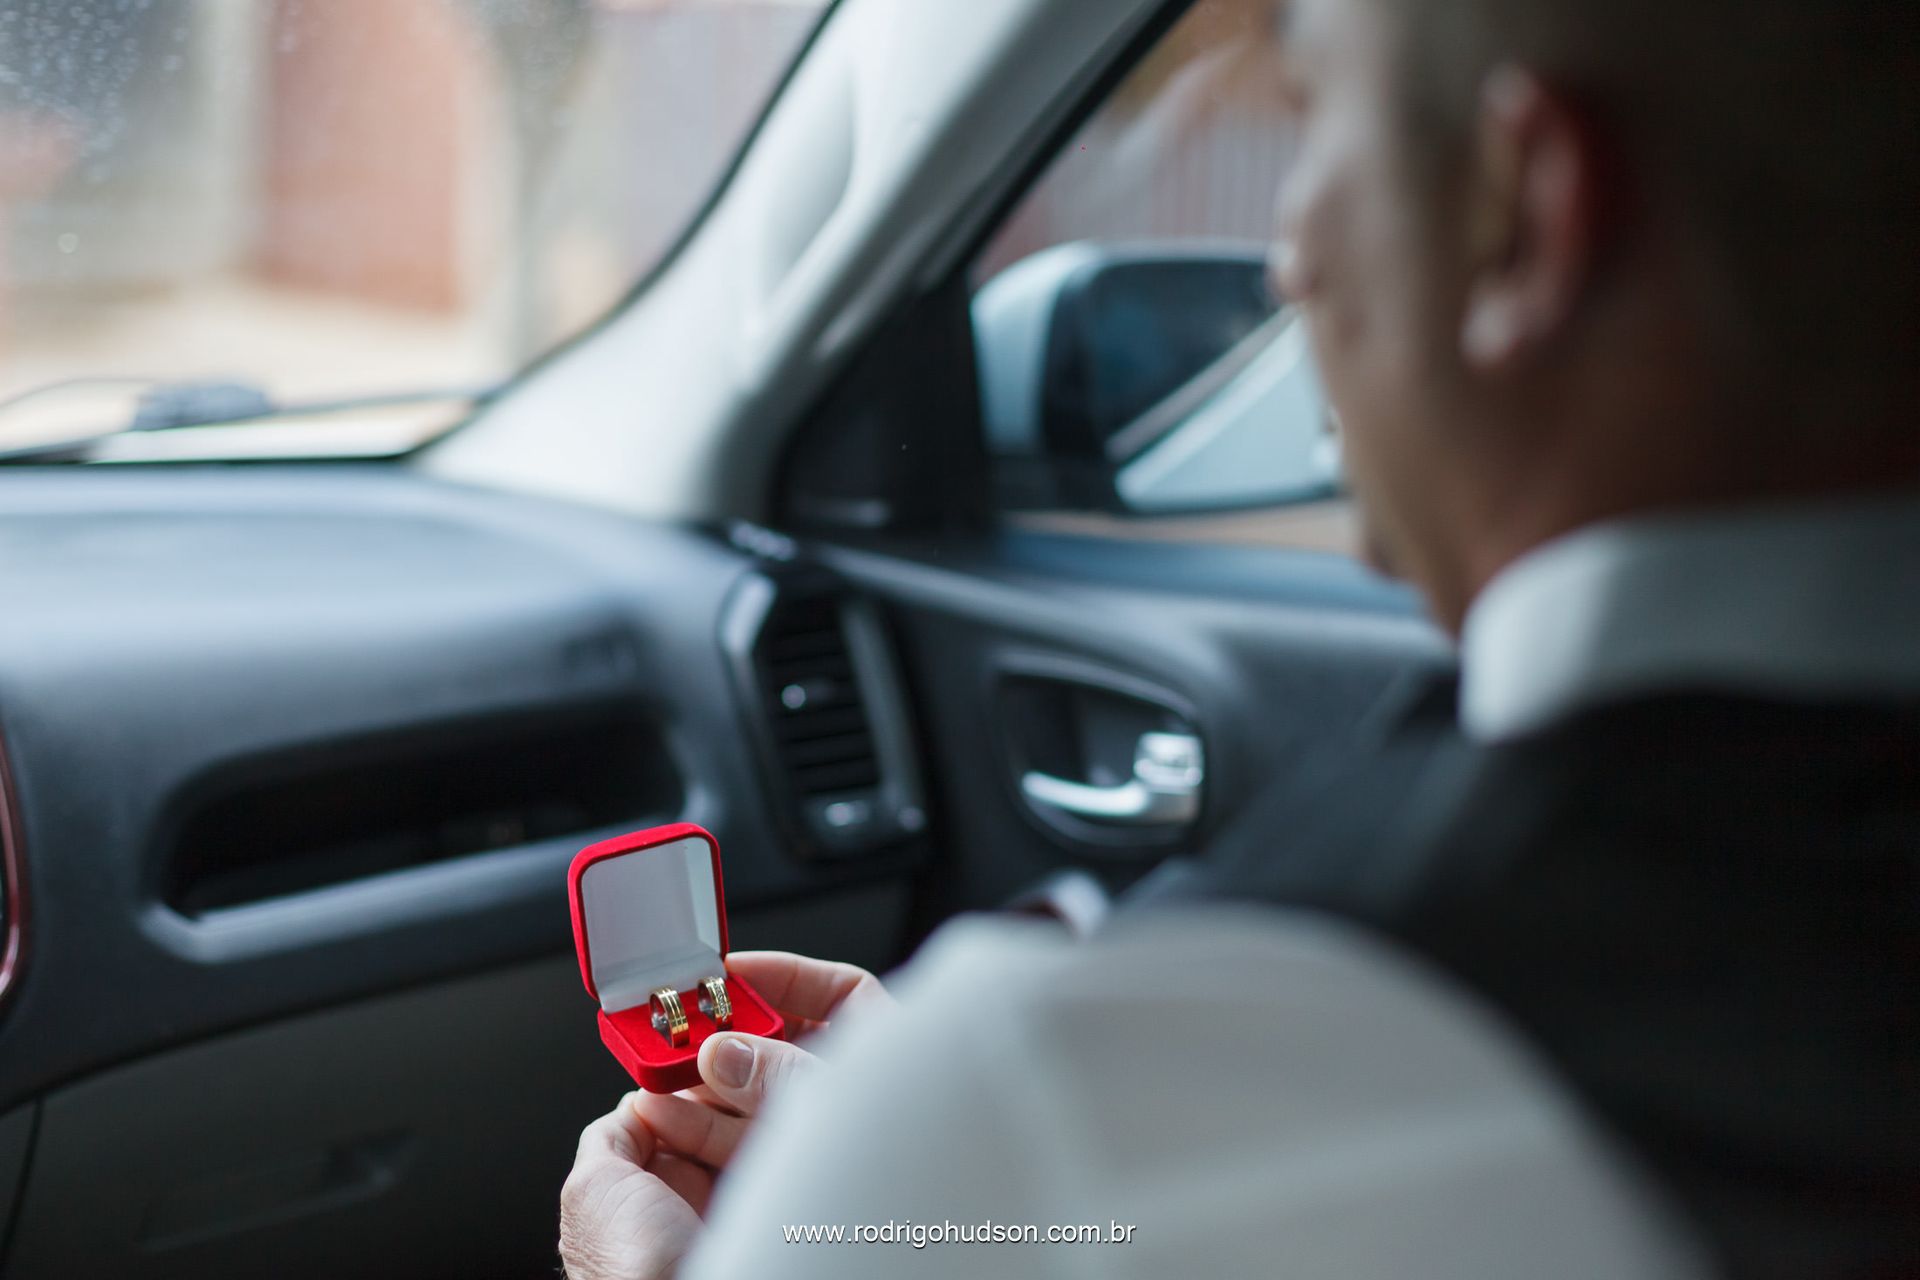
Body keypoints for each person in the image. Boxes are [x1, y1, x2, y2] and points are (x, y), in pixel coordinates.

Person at [561, 0, 1919, 1275]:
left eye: (1316, 122)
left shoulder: (1049, 1115)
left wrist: (897, 1175)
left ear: (1517, 213)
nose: (1288, 262)